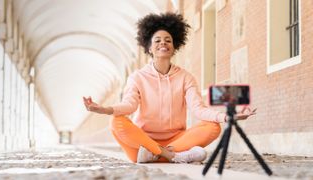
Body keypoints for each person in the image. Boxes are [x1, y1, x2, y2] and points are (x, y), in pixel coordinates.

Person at [83, 12, 256, 163]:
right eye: (157, 40)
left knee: (213, 126)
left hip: (175, 140)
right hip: (142, 142)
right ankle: (172, 156)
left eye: (168, 40)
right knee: (116, 121)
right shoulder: (137, 77)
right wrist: (104, 109)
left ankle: (159, 155)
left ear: (174, 47)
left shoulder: (186, 77)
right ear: (150, 48)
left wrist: (228, 117)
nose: (163, 43)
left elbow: (198, 109)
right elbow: (129, 106)